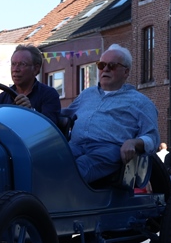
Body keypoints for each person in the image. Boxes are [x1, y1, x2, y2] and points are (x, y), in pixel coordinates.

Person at [66, 44, 160, 183]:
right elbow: (62, 116)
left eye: (112, 66)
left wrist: (133, 142)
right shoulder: (86, 94)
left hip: (106, 150)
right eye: (101, 65)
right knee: (44, 162)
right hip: (74, 146)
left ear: (126, 72)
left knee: (77, 169)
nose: (105, 69)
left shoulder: (141, 102)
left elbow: (153, 139)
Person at [0, 44, 61, 125]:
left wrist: (30, 111)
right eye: (13, 64)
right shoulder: (2, 98)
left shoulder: (48, 95)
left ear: (36, 69)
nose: (15, 69)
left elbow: (50, 128)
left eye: (22, 64)